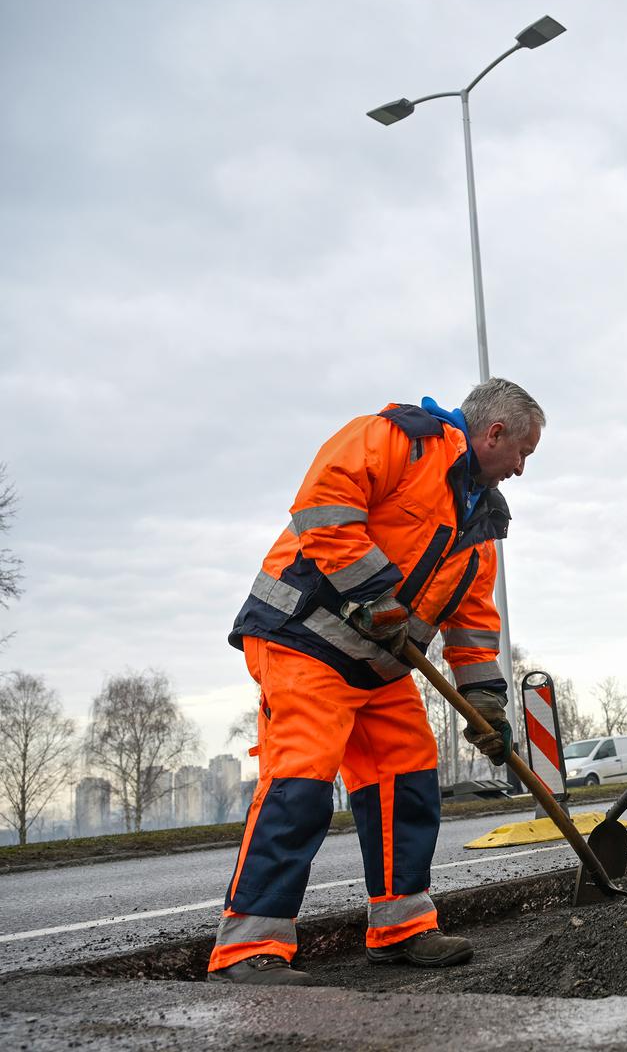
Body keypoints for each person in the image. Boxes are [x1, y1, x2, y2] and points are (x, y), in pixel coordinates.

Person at [208, 379, 545, 986]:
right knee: (302, 782)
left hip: (381, 665)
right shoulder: (401, 440)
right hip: (303, 639)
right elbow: (324, 506)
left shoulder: (480, 526)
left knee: (409, 779)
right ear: (493, 433)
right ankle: (248, 947)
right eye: (523, 452)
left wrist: (486, 704)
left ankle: (401, 926)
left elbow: (472, 624)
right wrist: (369, 594)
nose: (521, 468)